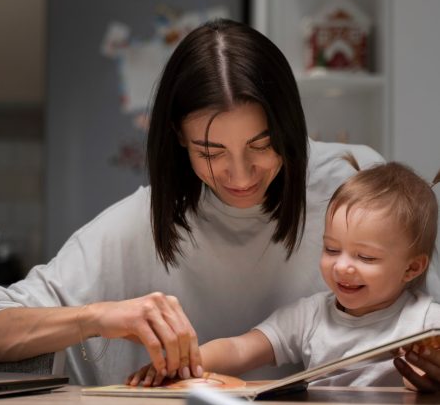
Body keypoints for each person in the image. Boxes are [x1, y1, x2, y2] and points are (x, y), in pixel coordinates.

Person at [0, 19, 439, 390]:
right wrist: (96, 316)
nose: (240, 177)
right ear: (179, 141)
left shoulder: (354, 185)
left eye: (261, 146)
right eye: (210, 153)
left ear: (289, 126)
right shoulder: (138, 226)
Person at [127, 157, 440, 389]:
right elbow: (240, 349)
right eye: (331, 249)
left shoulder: (425, 322)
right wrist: (180, 363)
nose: (342, 266)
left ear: (412, 268)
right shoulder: (311, 316)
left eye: (366, 257)